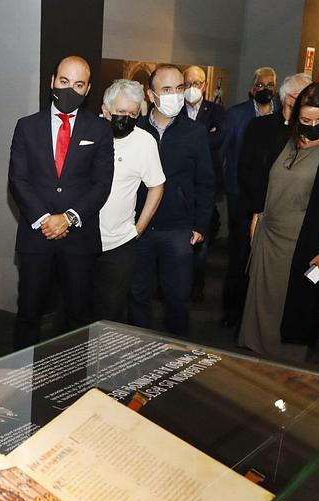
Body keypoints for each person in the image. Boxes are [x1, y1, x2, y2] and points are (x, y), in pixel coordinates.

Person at [238, 82, 319, 361]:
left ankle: (286, 363)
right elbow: (265, 182)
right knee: (261, 298)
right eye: (306, 120)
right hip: (269, 233)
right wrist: (257, 215)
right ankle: (257, 354)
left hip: (302, 240)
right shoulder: (285, 139)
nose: (312, 125)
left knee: (292, 303)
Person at [8, 55, 113, 348]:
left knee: (79, 314)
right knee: (28, 312)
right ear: (52, 82)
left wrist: (67, 218)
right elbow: (18, 180)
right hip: (35, 236)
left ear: (88, 89)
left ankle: (74, 381)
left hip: (79, 237)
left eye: (78, 84)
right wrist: (45, 219)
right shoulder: (26, 126)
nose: (70, 89)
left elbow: (101, 183)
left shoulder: (100, 129)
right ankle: (23, 377)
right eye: (64, 82)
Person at [128, 64, 213, 335]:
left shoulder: (195, 132)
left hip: (178, 229)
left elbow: (206, 182)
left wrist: (200, 225)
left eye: (179, 88)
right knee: (137, 294)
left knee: (177, 298)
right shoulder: (135, 130)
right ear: (151, 95)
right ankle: (137, 350)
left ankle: (174, 355)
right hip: (139, 227)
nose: (175, 95)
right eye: (166, 89)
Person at [232, 73, 313, 331]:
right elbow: (246, 168)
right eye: (304, 95)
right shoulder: (261, 126)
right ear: (288, 97)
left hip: (290, 218)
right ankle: (237, 316)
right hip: (255, 210)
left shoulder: (311, 134)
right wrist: (260, 206)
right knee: (243, 265)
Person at [94, 79, 165, 322]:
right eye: (120, 112)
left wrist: (138, 229)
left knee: (110, 313)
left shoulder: (144, 142)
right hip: (80, 241)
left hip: (120, 244)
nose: (126, 118)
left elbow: (156, 187)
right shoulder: (85, 134)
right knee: (75, 309)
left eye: (133, 114)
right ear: (105, 109)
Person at [220, 66, 277, 327]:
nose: (265, 89)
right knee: (239, 251)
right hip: (239, 193)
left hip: (272, 198)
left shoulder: (281, 116)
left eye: (270, 84)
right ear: (252, 88)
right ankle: (232, 311)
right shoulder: (235, 115)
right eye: (261, 85)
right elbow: (225, 152)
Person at [181, 65, 228, 303]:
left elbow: (219, 139)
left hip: (206, 185)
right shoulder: (175, 110)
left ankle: (197, 285)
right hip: (180, 186)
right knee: (178, 240)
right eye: (187, 84)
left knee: (202, 241)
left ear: (204, 86)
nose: (192, 88)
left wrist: (195, 138)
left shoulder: (217, 111)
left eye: (197, 83)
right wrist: (204, 135)